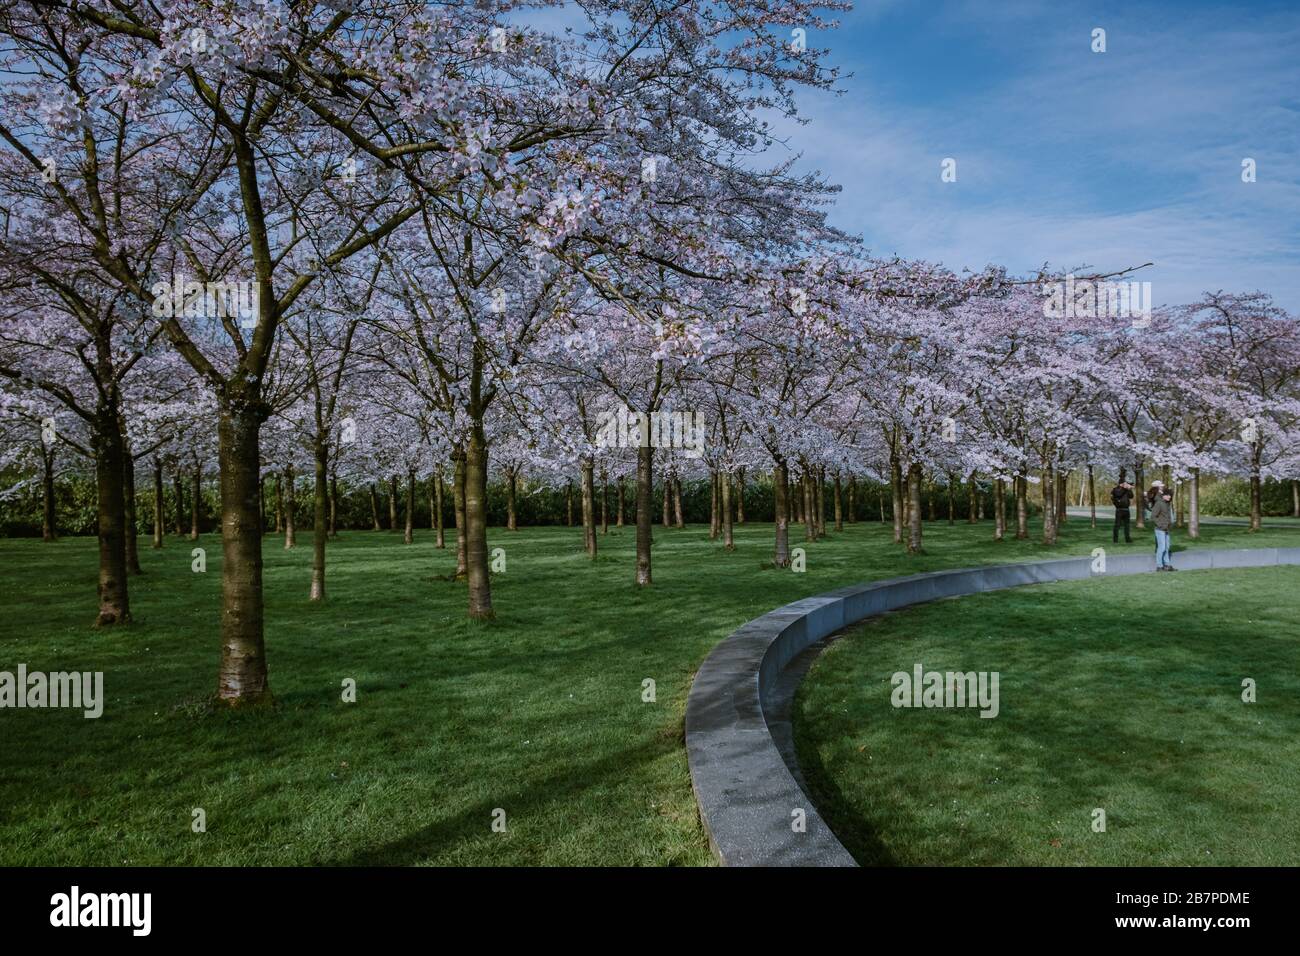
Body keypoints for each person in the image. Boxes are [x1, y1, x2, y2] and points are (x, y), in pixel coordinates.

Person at [1149, 482, 1175, 571]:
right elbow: (1153, 516)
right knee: (1162, 547)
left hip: (1166, 529)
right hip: (1160, 529)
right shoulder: (1159, 503)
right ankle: (1159, 566)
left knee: (1167, 547)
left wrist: (1168, 525)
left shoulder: (1167, 504)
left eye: (1170, 495)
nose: (1169, 497)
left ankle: (1167, 565)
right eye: (1167, 495)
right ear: (1163, 495)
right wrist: (1160, 524)